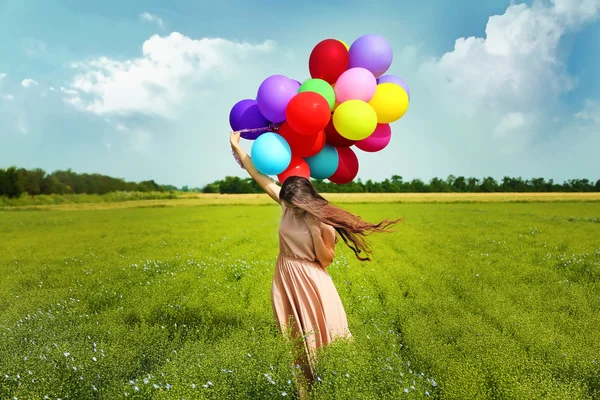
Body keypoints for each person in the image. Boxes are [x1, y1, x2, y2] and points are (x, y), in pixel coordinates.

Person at [229, 131, 402, 396]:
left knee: (319, 336)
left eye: (296, 208)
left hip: (311, 280)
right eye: (288, 206)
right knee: (292, 336)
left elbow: (325, 260)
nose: (291, 211)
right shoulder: (287, 203)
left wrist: (312, 229)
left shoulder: (324, 222)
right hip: (286, 274)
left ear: (305, 201)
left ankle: (333, 386)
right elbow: (261, 178)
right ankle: (303, 391)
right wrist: (237, 148)